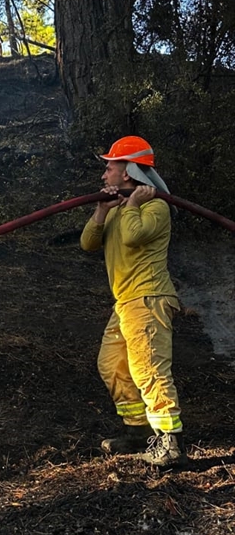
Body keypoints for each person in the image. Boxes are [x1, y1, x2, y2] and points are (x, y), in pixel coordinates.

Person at [80, 136, 183, 468]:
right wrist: (101, 209)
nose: (104, 175)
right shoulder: (117, 209)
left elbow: (133, 236)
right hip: (125, 303)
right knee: (111, 365)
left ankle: (168, 443)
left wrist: (133, 205)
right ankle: (138, 432)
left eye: (109, 167)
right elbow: (87, 244)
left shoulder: (156, 207)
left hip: (148, 298)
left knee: (149, 369)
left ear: (127, 172)